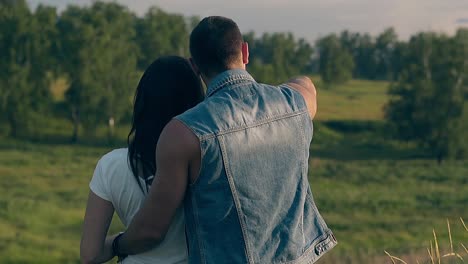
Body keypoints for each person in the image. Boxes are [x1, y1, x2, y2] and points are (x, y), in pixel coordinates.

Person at [112, 16, 337, 264]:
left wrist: (115, 244)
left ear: (195, 66)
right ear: (245, 51)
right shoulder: (295, 104)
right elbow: (305, 83)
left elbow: (150, 231)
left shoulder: (182, 133)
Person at [80, 56, 205, 264]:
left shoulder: (111, 166)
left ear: (142, 103)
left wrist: (118, 242)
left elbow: (90, 254)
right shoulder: (207, 163)